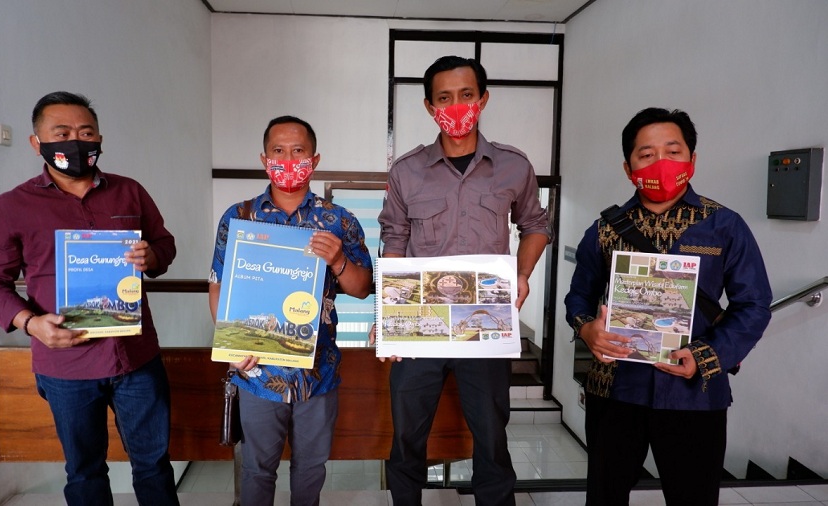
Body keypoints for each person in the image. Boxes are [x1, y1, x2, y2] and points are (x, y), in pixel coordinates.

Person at [0, 91, 180, 505]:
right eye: (61, 132)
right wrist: (30, 323)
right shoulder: (11, 207)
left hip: (136, 357)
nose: (75, 142)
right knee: (84, 472)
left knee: (154, 465)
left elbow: (165, 246)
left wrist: (152, 254)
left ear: (99, 138)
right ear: (37, 143)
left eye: (85, 133)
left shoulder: (129, 192)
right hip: (65, 363)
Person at [564, 107, 772, 506]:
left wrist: (708, 355)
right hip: (614, 391)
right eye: (646, 155)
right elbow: (579, 296)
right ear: (629, 168)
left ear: (692, 159)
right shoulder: (605, 229)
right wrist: (586, 327)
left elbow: (754, 305)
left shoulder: (724, 225)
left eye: (673, 151)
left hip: (694, 392)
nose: (661, 163)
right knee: (605, 496)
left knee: (693, 498)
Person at [376, 56, 551, 506]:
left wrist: (523, 275)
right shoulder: (407, 172)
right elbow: (394, 237)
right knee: (407, 437)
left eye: (467, 95)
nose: (456, 106)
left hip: (486, 325)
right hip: (420, 325)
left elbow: (535, 225)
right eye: (445, 98)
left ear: (484, 99)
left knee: (492, 438)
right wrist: (389, 313)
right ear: (429, 105)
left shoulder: (513, 166)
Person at [208, 116, 372, 505]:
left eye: (298, 151)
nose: (288, 159)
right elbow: (218, 284)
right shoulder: (239, 217)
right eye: (278, 151)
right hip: (257, 372)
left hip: (319, 372)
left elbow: (363, 289)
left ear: (314, 160)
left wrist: (338, 262)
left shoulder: (338, 220)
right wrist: (232, 349)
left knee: (311, 470)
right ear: (264, 158)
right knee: (256, 468)